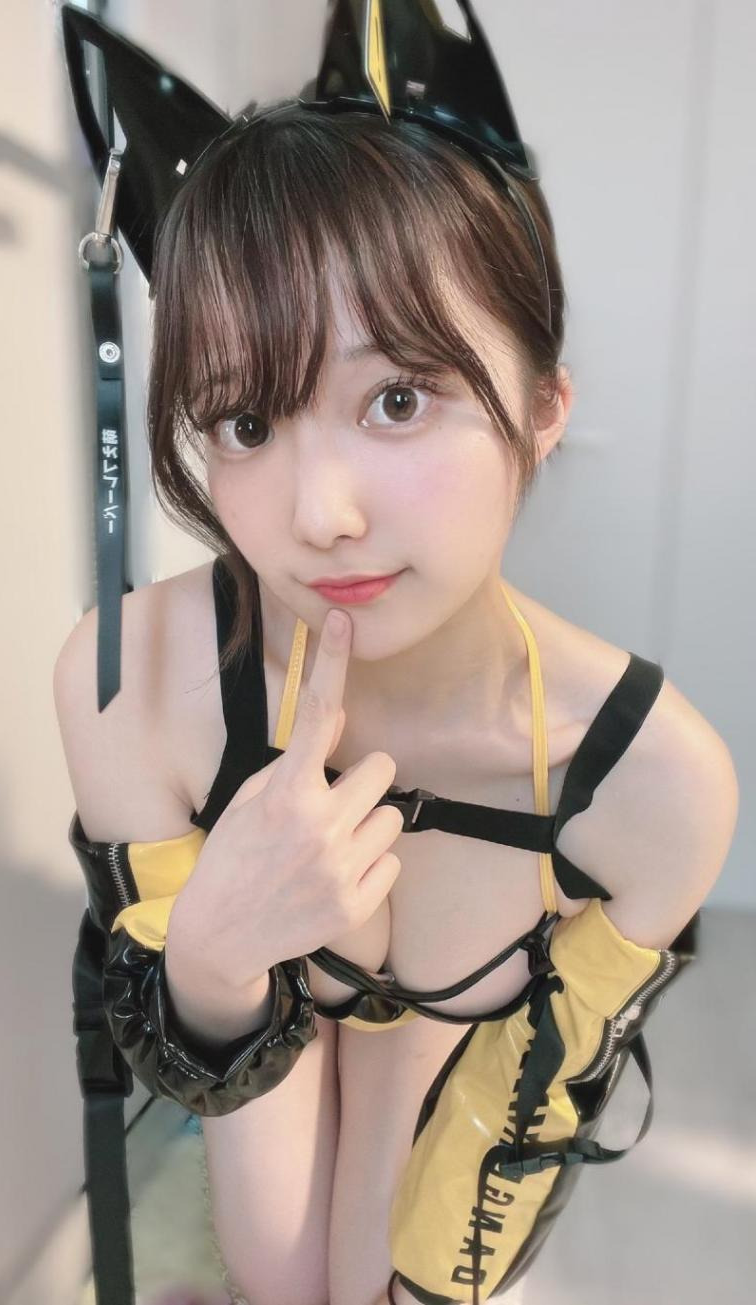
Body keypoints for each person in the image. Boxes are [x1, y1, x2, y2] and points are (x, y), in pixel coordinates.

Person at [55, 8, 739, 1305]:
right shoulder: (131, 687)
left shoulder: (652, 786)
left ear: (544, 407)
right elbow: (240, 1182)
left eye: (397, 398)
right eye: (245, 419)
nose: (320, 514)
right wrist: (216, 957)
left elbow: (499, 1160)